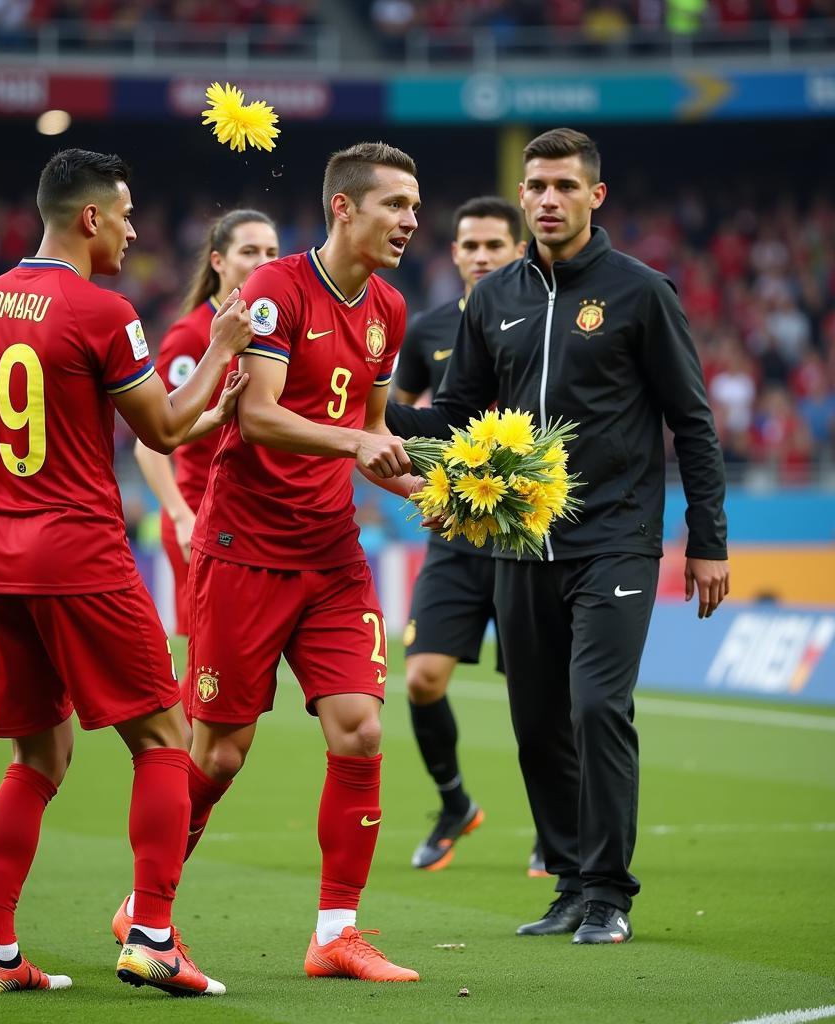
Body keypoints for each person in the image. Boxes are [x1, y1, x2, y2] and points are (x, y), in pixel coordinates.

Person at [0, 148, 252, 996]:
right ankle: (156, 938)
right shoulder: (102, 311)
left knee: (39, 756)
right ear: (90, 217)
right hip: (80, 551)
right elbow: (165, 430)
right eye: (127, 214)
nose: (136, 229)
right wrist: (222, 344)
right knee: (165, 739)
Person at [386, 128, 730, 944]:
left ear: (594, 196)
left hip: (614, 538)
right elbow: (455, 413)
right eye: (536, 185)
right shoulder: (493, 299)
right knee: (536, 719)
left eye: (563, 187)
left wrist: (707, 538)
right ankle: (573, 882)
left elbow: (694, 420)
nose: (547, 200)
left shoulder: (643, 292)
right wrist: (365, 418)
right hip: (513, 543)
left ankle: (610, 892)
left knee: (595, 705)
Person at [113, 141, 421, 982]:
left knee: (359, 730)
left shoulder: (389, 309)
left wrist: (435, 490)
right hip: (242, 550)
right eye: (395, 204)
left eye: (415, 205)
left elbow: (373, 433)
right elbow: (257, 415)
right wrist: (359, 440)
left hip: (331, 554)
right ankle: (148, 912)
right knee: (218, 755)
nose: (411, 220)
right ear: (344, 209)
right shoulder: (273, 291)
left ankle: (336, 933)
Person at [392, 196, 545, 874]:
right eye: (469, 245)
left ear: (518, 250)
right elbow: (400, 417)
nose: (480, 255)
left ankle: (556, 829)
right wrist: (424, 486)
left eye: (493, 245)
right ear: (453, 253)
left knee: (540, 698)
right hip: (457, 531)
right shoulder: (427, 330)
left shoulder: (548, 320)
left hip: (528, 536)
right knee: (422, 679)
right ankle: (456, 804)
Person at [134, 209, 279, 636]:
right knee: (212, 659)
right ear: (218, 261)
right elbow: (150, 441)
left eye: (272, 251)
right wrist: (180, 515)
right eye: (249, 251)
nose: (263, 262)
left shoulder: (270, 328)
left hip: (251, 516)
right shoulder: (194, 335)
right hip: (200, 513)